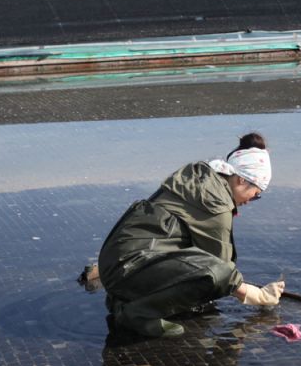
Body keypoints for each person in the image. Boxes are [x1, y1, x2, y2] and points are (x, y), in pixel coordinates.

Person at [97, 132, 286, 338]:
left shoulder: (198, 179)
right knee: (213, 275)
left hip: (114, 262)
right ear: (241, 179)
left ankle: (123, 300)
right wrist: (256, 296)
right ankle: (137, 314)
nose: (251, 201)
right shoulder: (216, 205)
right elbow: (221, 272)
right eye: (256, 195)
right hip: (129, 268)